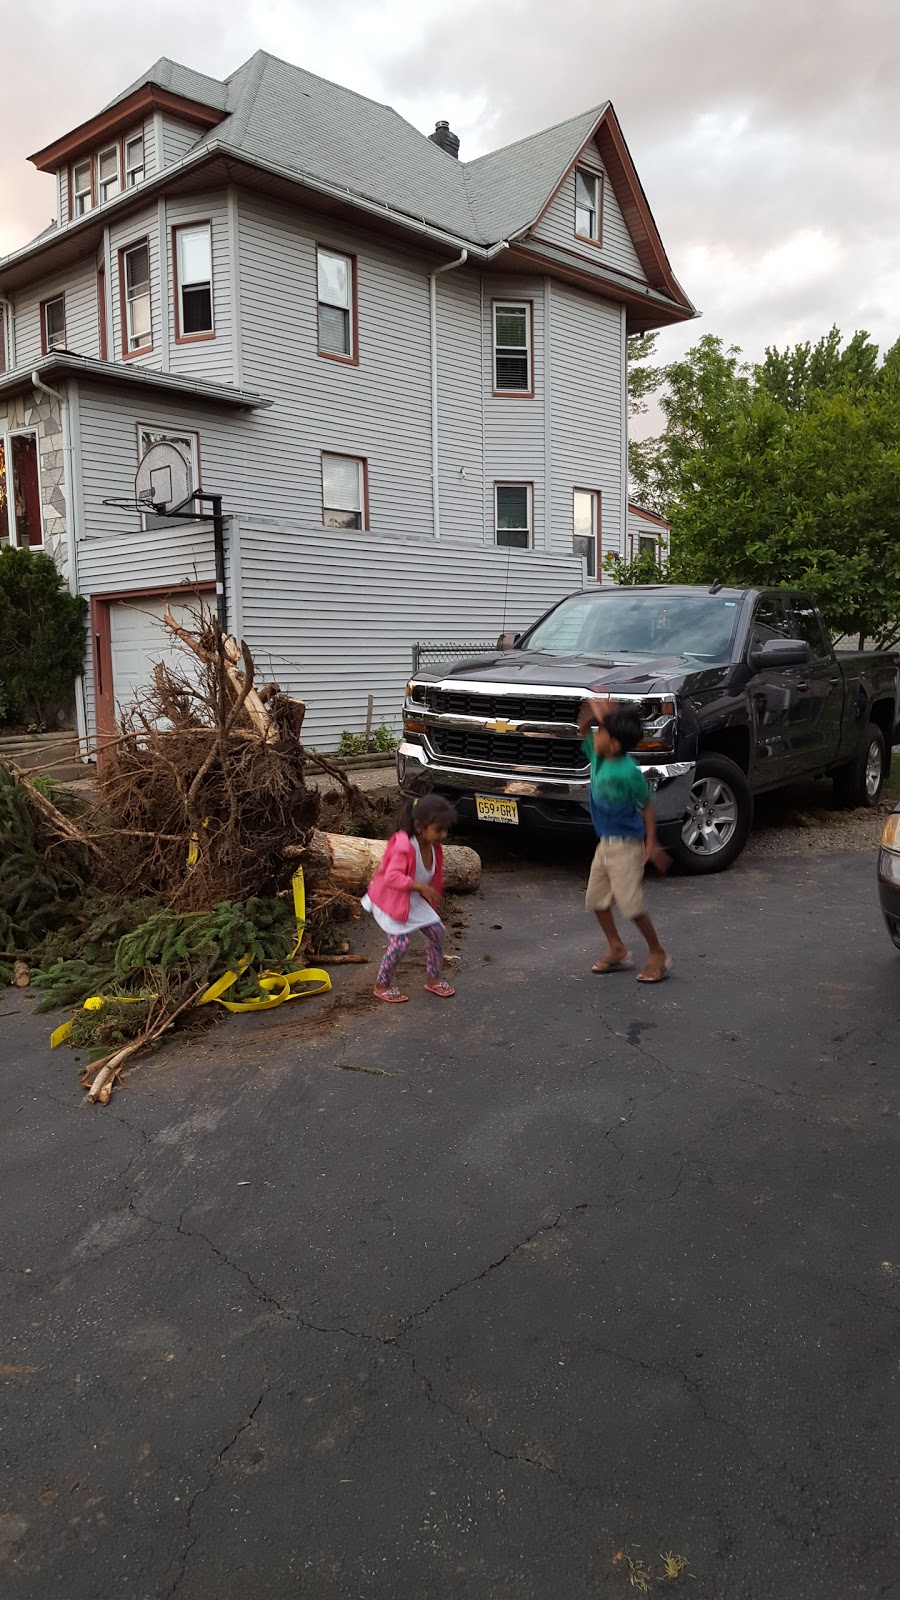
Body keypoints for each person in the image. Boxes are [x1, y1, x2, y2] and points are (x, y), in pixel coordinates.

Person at [577, 697, 671, 983]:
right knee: (597, 899)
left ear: (615, 744)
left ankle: (658, 953)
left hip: (627, 845)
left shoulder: (628, 772)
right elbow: (583, 728)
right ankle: (616, 947)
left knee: (631, 904)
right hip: (605, 843)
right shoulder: (600, 755)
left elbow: (647, 805)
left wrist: (651, 842)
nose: (596, 736)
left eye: (601, 733)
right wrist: (594, 711)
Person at [362, 793, 457, 1003]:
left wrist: (437, 885)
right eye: (439, 829)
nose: (444, 834)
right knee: (400, 944)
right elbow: (392, 877)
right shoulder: (404, 845)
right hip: (391, 899)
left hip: (411, 899)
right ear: (419, 826)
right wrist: (420, 887)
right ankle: (382, 985)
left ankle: (433, 980)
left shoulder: (435, 847)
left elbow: (430, 873)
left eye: (445, 829)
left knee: (437, 931)